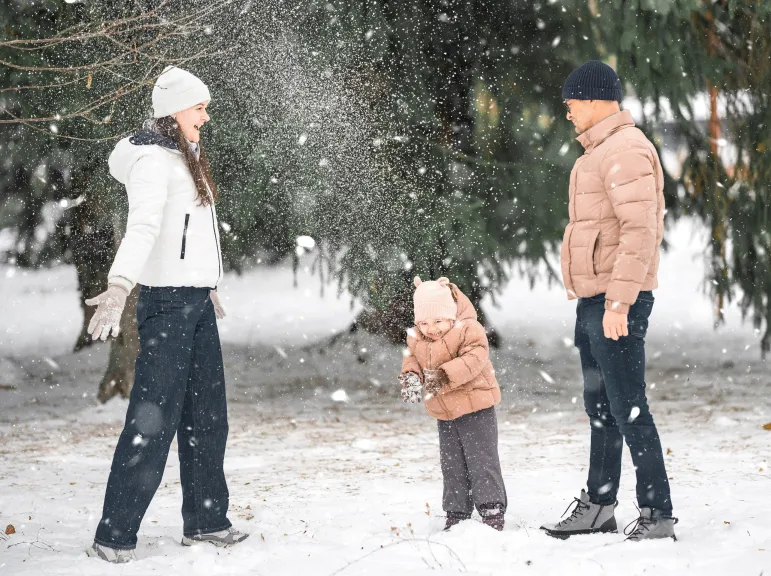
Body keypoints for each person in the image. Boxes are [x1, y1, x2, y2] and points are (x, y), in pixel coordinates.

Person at [85, 66, 247, 563]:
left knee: (208, 416)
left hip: (194, 300)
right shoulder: (153, 162)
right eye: (199, 106)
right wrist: (118, 285)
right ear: (174, 109)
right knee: (151, 421)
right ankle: (114, 534)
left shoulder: (185, 155)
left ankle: (205, 521)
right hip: (168, 305)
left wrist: (206, 283)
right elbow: (146, 226)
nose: (206, 114)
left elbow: (192, 234)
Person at [540, 60, 677, 541]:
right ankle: (599, 505)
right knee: (601, 408)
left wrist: (619, 303)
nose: (569, 113)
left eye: (572, 104)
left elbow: (641, 232)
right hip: (593, 300)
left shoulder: (626, 151)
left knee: (629, 408)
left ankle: (658, 515)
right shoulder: (596, 154)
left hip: (617, 303)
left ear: (596, 99)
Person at [399, 277, 507, 531]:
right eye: (424, 322)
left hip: (476, 406)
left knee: (481, 459)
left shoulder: (470, 330)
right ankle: (456, 509)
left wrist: (444, 376)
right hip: (445, 412)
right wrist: (412, 377)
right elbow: (412, 359)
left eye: (437, 321)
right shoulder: (417, 338)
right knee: (452, 462)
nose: (431, 328)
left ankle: (491, 506)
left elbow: (475, 358)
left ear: (450, 315)